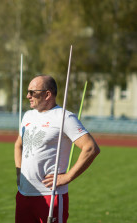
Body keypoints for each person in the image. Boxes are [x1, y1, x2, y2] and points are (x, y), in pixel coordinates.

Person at [14, 75, 100, 223]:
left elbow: (91, 148)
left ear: (47, 94)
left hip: (50, 196)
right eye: (28, 91)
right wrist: (19, 173)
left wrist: (67, 177)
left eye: (33, 92)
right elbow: (19, 145)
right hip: (23, 194)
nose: (28, 96)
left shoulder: (65, 117)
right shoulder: (28, 116)